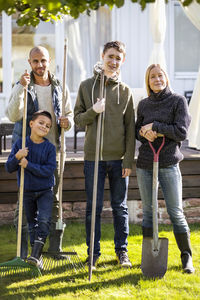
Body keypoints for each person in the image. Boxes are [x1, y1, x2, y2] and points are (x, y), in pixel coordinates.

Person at [5, 46, 73, 259]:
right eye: (35, 61)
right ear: (29, 62)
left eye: (43, 60)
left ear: (49, 60)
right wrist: (20, 88)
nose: (40, 65)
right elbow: (12, 115)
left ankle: (54, 248)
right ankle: (23, 251)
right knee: (25, 200)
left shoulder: (59, 85)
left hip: (52, 150)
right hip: (29, 149)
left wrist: (67, 122)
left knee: (53, 198)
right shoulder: (23, 85)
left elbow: (69, 116)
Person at [74, 41, 135, 269]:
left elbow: (130, 129)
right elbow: (78, 121)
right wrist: (94, 111)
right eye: (110, 56)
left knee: (120, 207)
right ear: (102, 56)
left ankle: (122, 252)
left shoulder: (126, 91)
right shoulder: (86, 86)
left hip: (118, 159)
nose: (113, 61)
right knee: (94, 208)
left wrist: (128, 159)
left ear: (122, 61)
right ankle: (93, 253)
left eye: (118, 58)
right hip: (93, 159)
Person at [135, 63, 195, 274]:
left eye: (160, 76)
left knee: (175, 211)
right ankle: (149, 254)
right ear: (148, 81)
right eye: (152, 77)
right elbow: (137, 130)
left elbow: (181, 132)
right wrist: (144, 132)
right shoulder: (143, 104)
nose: (157, 79)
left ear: (166, 78)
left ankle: (186, 257)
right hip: (145, 163)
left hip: (168, 162)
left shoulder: (178, 101)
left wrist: (156, 128)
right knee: (149, 212)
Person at [6, 110, 56, 267]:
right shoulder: (20, 144)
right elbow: (9, 167)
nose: (44, 127)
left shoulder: (49, 148)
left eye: (48, 126)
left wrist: (29, 165)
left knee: (44, 220)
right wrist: (18, 156)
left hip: (45, 190)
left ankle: (35, 254)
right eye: (41, 123)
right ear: (31, 124)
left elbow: (48, 171)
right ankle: (36, 257)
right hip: (27, 190)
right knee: (31, 223)